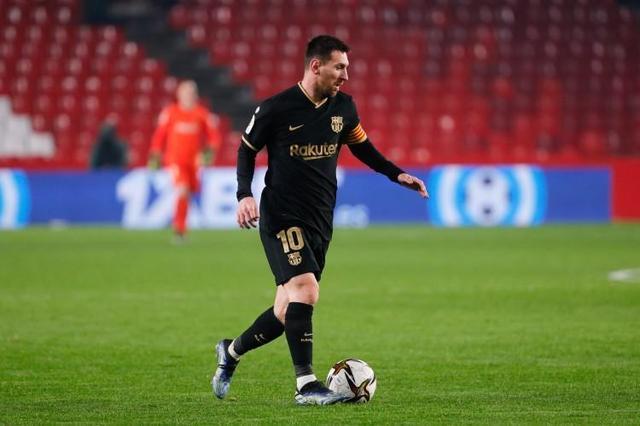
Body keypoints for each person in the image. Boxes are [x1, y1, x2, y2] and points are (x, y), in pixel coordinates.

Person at [212, 35, 428, 405]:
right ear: (316, 66)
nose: (346, 75)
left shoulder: (344, 107)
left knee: (285, 311)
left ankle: (230, 352)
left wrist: (397, 174)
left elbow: (362, 146)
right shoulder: (276, 108)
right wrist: (244, 194)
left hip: (320, 219)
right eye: (339, 67)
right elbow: (246, 151)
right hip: (282, 214)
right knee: (307, 290)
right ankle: (306, 385)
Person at [148, 80, 221, 240]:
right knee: (182, 189)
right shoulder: (170, 112)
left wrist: (208, 152)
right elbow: (159, 135)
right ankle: (179, 230)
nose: (188, 96)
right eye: (185, 92)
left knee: (188, 193)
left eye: (191, 93)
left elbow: (214, 136)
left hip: (194, 162)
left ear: (195, 95)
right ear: (179, 94)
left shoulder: (202, 114)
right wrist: (155, 154)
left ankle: (182, 227)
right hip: (175, 160)